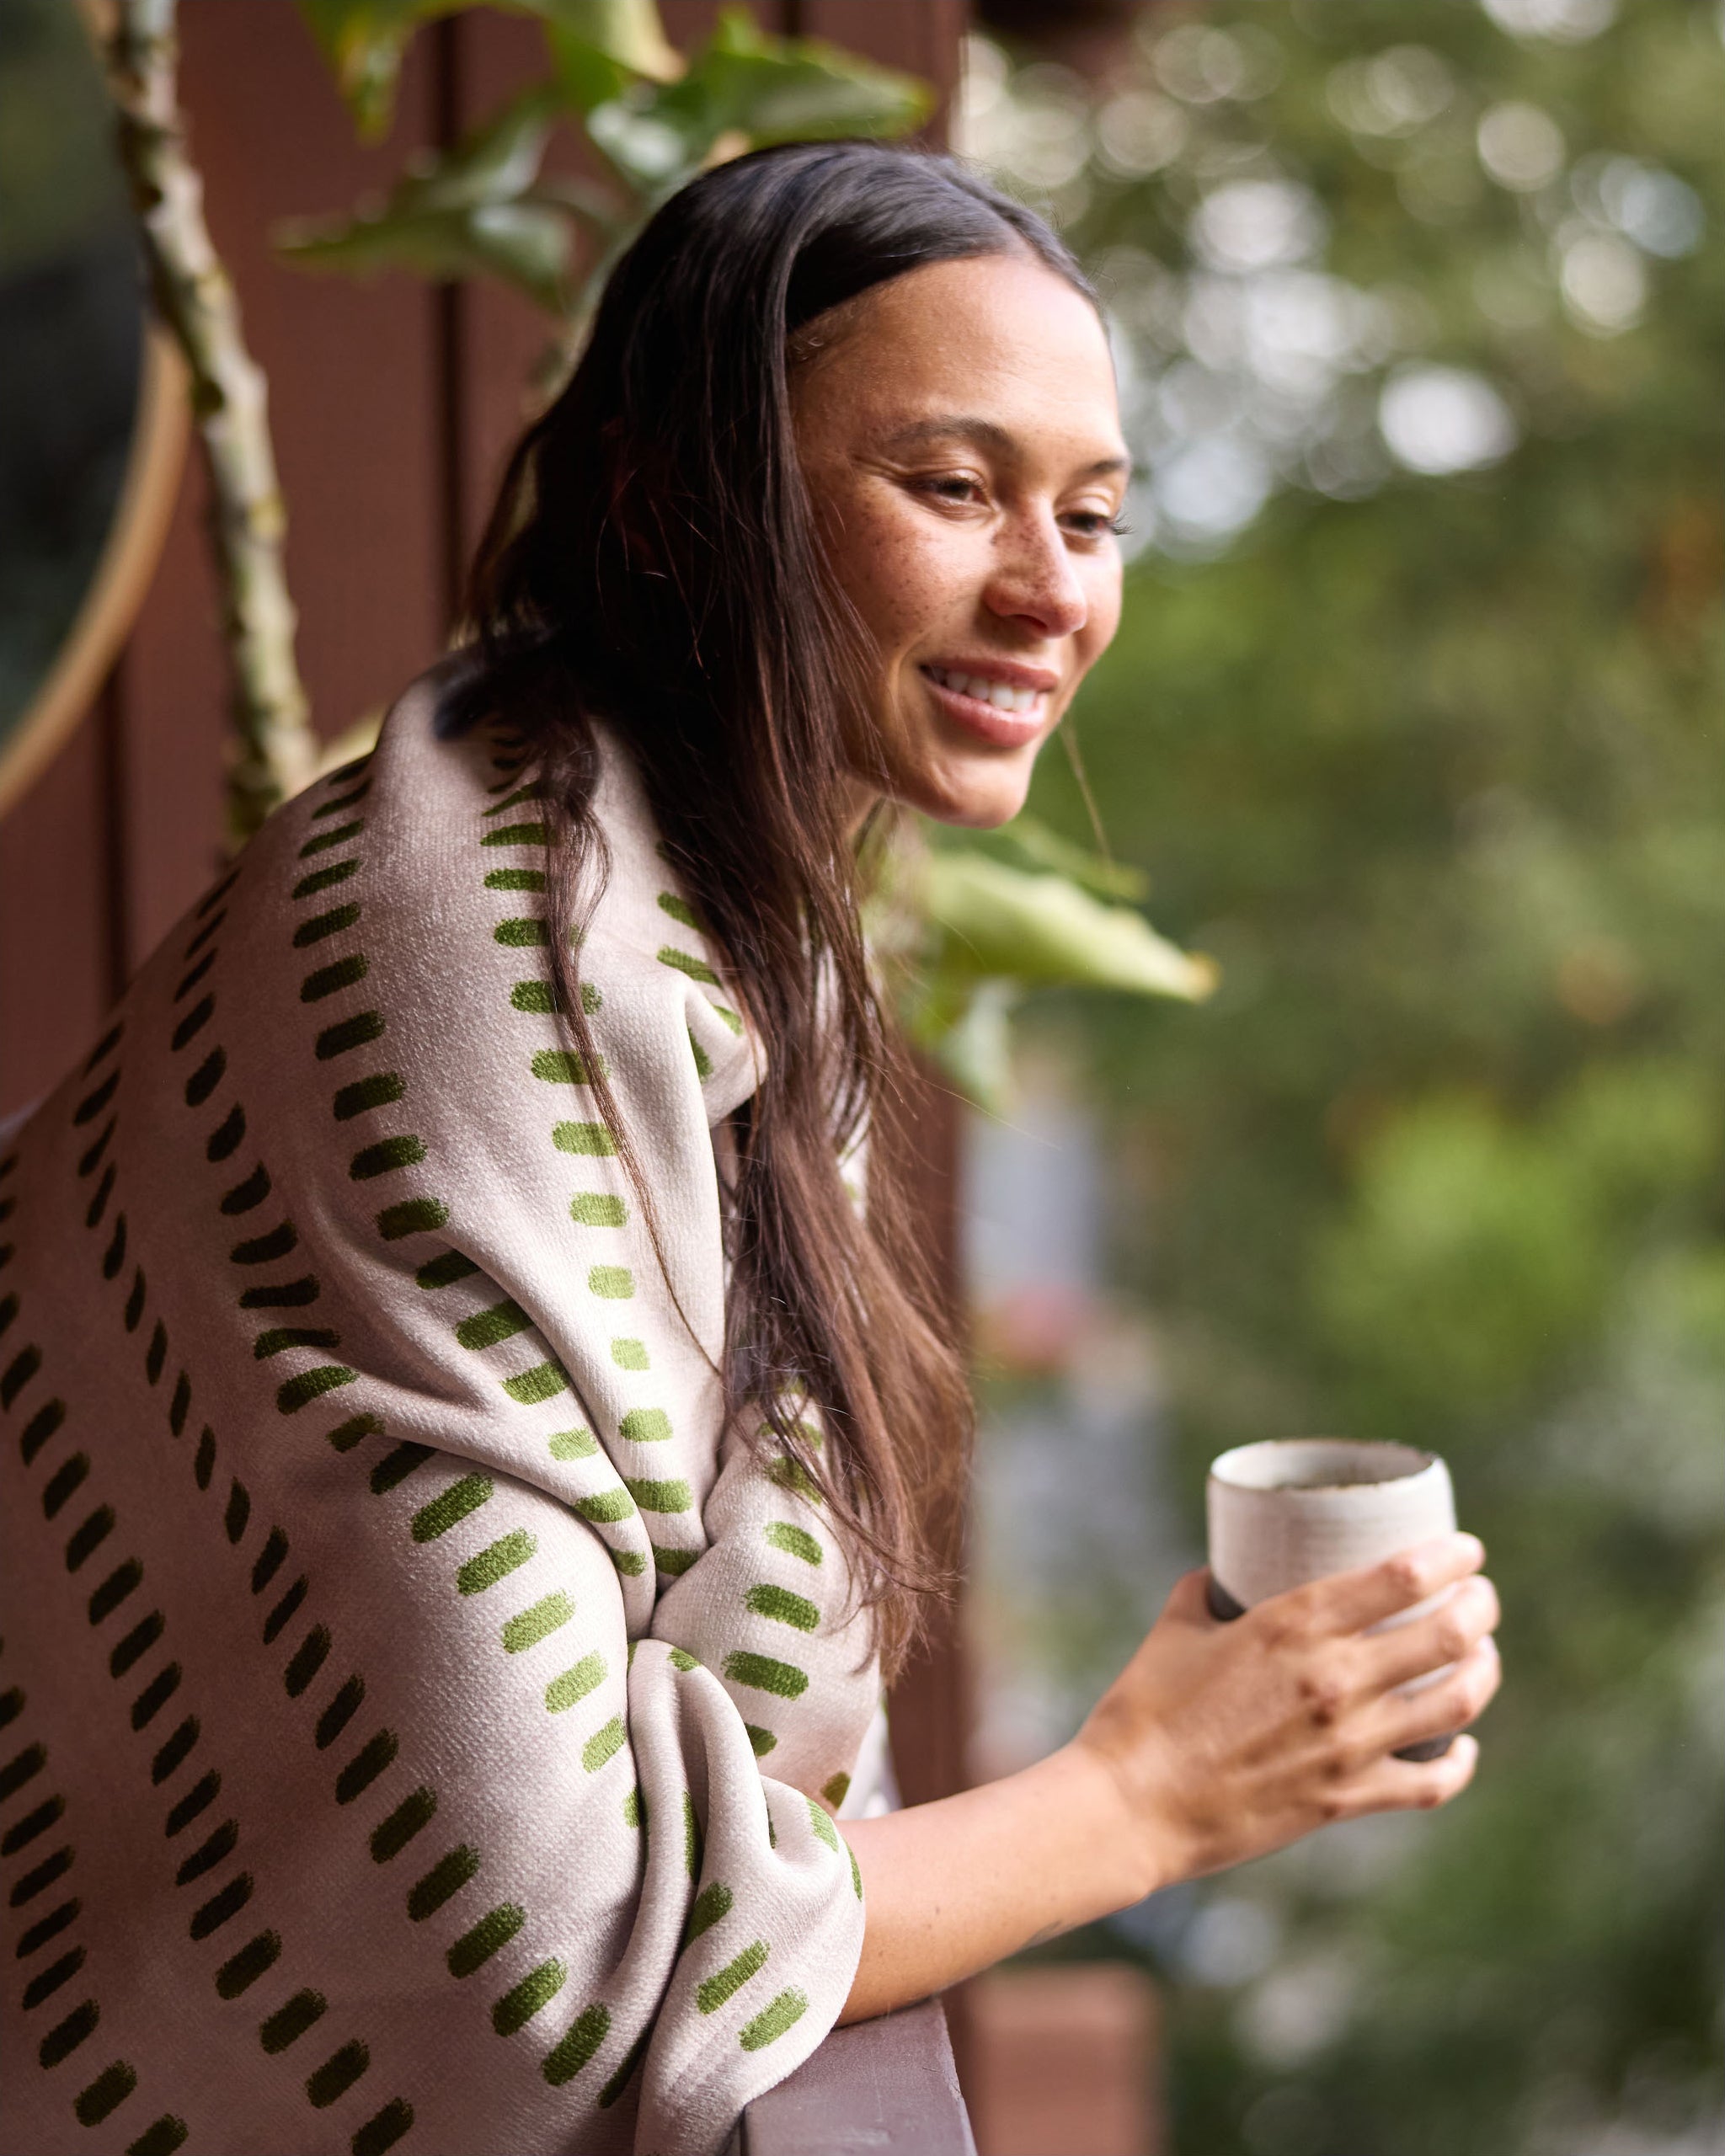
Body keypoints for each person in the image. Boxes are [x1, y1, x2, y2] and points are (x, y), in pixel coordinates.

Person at [0, 141, 1500, 2155]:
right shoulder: (484, 947)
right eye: (954, 487)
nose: (1054, 588)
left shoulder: (695, 893)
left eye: (1093, 512)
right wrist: (1143, 1791)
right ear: (667, 498)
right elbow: (529, 1929)